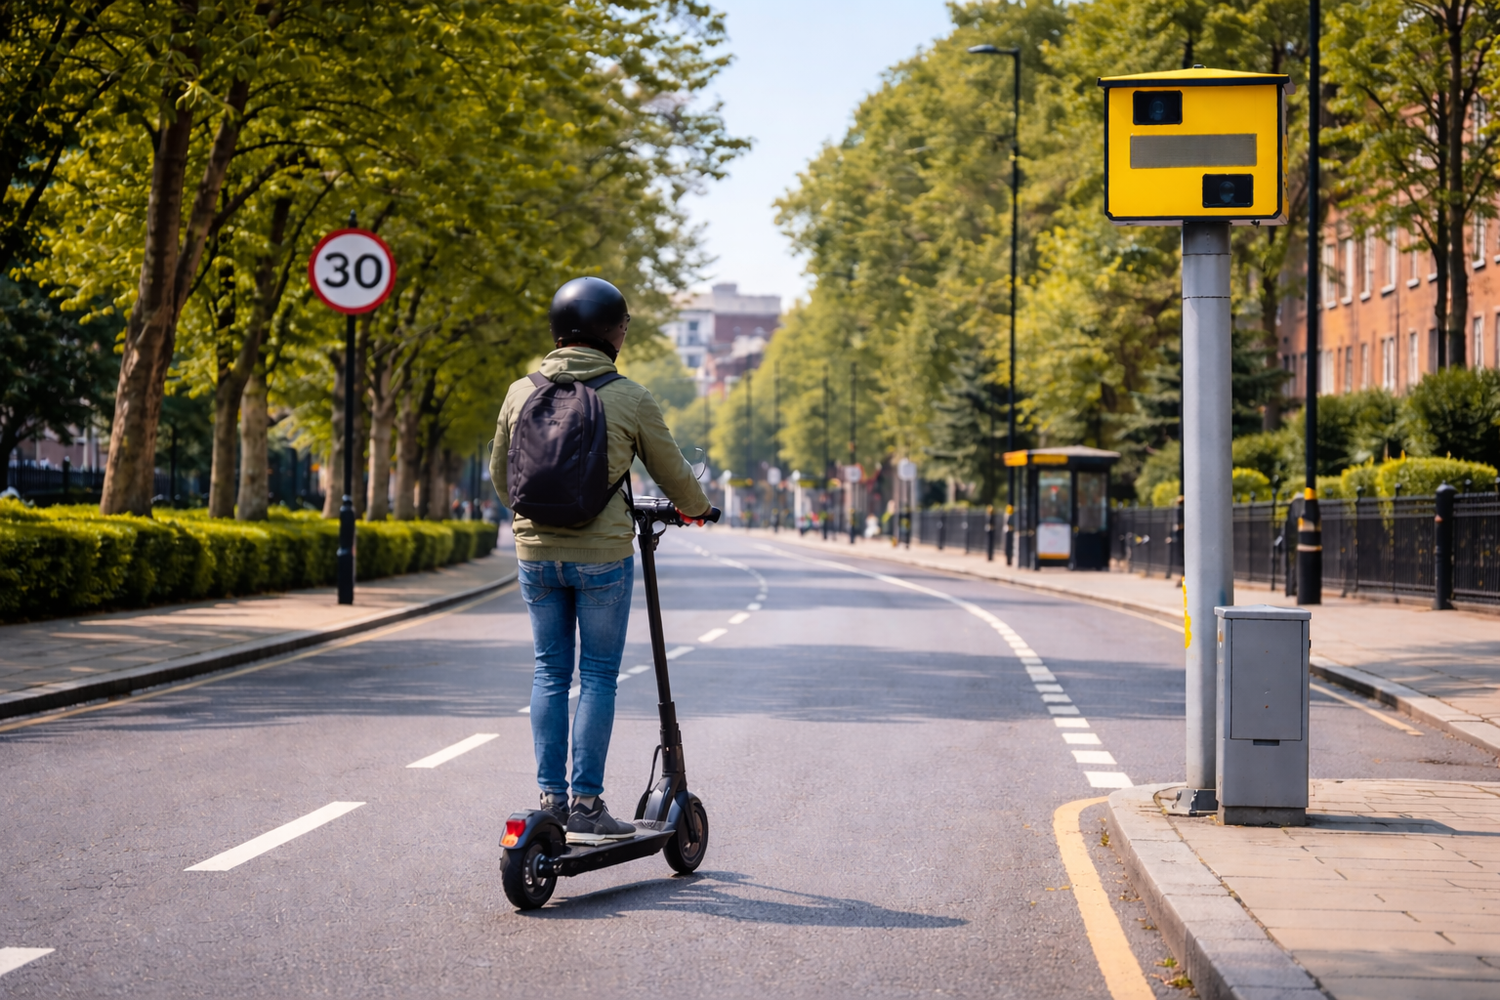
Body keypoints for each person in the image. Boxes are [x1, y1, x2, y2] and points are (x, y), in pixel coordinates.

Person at [490, 277, 712, 845]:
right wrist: (697, 509)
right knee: (596, 675)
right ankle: (587, 804)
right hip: (602, 556)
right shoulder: (629, 396)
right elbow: (672, 472)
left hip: (535, 553)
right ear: (614, 332)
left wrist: (535, 522)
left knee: (549, 670)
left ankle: (551, 800)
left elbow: (501, 476)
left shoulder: (519, 392)